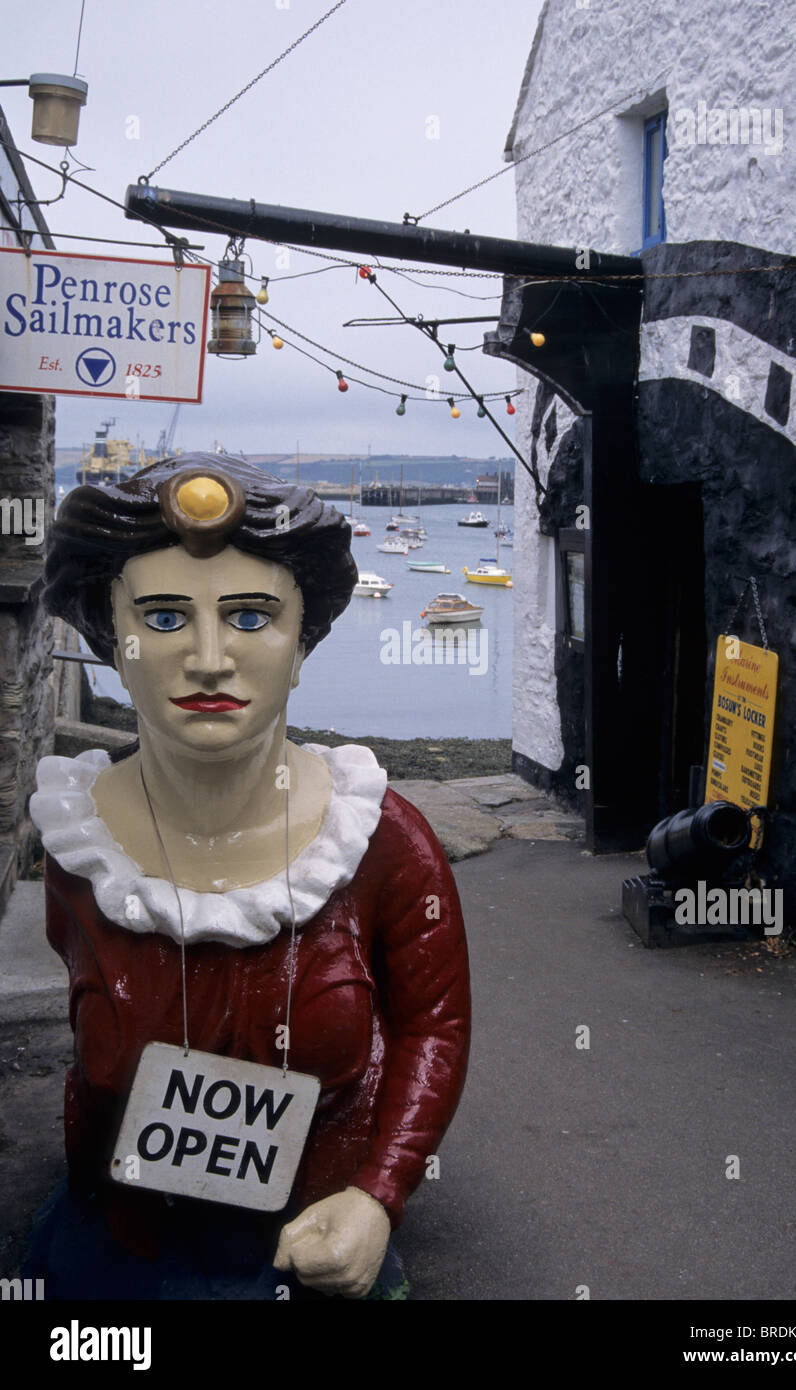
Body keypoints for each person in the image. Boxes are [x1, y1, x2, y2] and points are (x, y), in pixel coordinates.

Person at [27, 454, 471, 1300]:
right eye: (161, 617)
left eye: (250, 617)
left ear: (302, 644)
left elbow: (434, 1029)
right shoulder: (80, 846)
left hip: (308, 1253)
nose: (207, 658)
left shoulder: (379, 842)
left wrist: (380, 1195)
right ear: (109, 642)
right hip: (116, 1248)